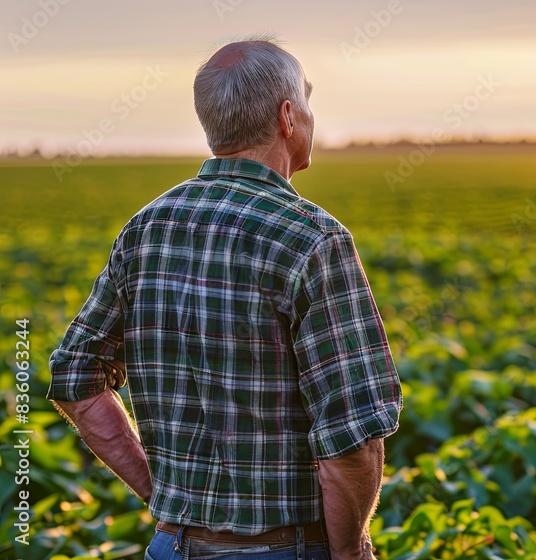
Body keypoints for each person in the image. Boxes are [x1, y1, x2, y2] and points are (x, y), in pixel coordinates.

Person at [47, 38, 402, 560]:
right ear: (287, 116)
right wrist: (351, 554)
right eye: (306, 103)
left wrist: (163, 497)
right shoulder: (312, 239)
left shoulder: (146, 229)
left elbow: (73, 376)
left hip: (170, 546)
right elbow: (351, 440)